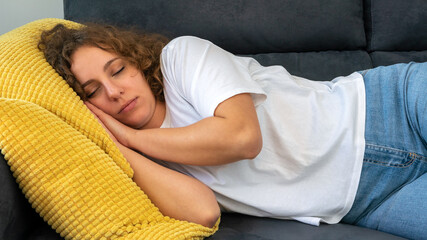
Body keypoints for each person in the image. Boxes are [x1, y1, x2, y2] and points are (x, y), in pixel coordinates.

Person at [38, 23, 426, 239]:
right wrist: (117, 147)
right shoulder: (147, 164)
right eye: (93, 93)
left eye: (118, 70)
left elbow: (242, 138)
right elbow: (202, 212)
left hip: (392, 106)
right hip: (370, 201)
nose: (114, 92)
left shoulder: (182, 59)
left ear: (136, 61)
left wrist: (131, 137)